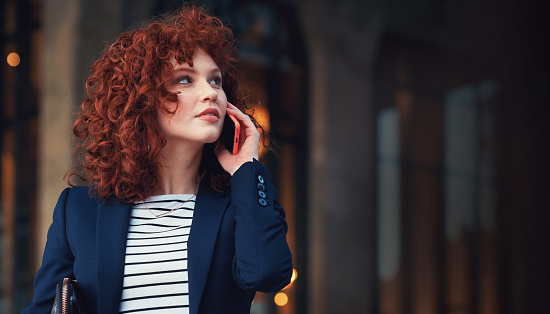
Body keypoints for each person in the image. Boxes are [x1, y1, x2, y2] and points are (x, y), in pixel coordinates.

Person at [22, 5, 293, 314]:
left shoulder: (240, 203)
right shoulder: (79, 211)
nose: (210, 93)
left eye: (215, 80)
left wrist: (246, 167)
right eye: (185, 80)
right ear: (143, 98)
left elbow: (268, 274)